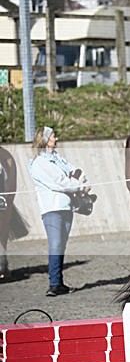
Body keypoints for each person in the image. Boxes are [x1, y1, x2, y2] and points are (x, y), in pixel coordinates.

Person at [28, 126, 90, 296]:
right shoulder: (40, 163)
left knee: (61, 245)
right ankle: (54, 284)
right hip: (52, 208)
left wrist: (81, 181)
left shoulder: (58, 159)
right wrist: (80, 186)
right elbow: (59, 182)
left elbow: (77, 172)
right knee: (55, 244)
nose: (56, 139)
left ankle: (59, 282)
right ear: (45, 140)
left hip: (67, 206)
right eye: (53, 136)